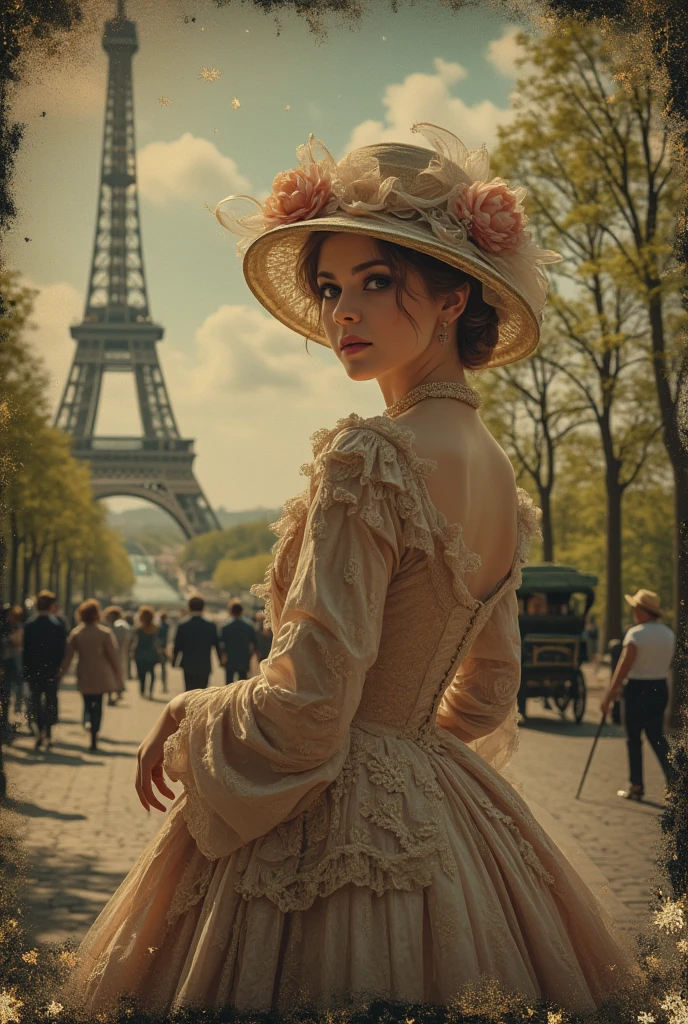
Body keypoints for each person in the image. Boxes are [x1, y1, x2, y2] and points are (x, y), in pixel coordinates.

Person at [61, 125, 635, 1016]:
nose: (343, 315)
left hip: (325, 821)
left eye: (376, 283)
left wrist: (190, 708)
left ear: (453, 300)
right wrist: (400, 745)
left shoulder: (370, 457)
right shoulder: (497, 472)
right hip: (443, 813)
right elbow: (488, 693)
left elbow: (312, 706)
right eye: (330, 289)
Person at [601, 588, 676, 801]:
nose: (633, 612)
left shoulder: (636, 634)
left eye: (635, 608)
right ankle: (675, 783)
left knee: (634, 739)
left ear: (642, 611)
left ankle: (636, 786)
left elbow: (623, 667)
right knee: (657, 737)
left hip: (636, 689)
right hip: (659, 687)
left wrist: (609, 695)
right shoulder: (668, 634)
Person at [59, 599, 121, 752]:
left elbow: (68, 657)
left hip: (84, 674)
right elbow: (113, 656)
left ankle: (89, 727)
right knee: (98, 705)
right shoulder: (105, 633)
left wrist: (61, 673)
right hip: (100, 674)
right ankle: (94, 735)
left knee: (87, 704)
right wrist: (118, 674)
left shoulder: (76, 633)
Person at [22, 591, 66, 752]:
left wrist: (26, 670)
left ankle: (39, 730)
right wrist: (59, 668)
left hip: (33, 670)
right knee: (51, 701)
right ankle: (48, 732)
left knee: (35, 701)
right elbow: (62, 650)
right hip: (51, 671)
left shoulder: (29, 625)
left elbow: (25, 651)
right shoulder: (58, 625)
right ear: (51, 606)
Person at [172, 596, 221, 691]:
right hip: (204, 664)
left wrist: (174, 660)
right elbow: (216, 644)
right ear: (203, 607)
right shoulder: (210, 625)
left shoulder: (182, 625)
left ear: (189, 607)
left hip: (188, 664)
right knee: (202, 693)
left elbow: (178, 645)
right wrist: (220, 659)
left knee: (189, 692)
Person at [0, 605, 24, 742]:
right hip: (6, 667)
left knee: (6, 698)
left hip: (10, 668)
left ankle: (4, 726)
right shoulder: (5, 629)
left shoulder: (14, 628)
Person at [219, 600, 257, 684]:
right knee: (242, 685)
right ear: (241, 611)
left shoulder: (225, 626)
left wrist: (222, 657)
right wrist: (251, 656)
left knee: (228, 684)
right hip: (244, 659)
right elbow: (254, 643)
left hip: (230, 659)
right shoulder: (249, 626)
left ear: (230, 611)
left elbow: (221, 644)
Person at [132, 606, 162, 700]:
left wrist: (132, 652)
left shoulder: (138, 629)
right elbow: (157, 642)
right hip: (151, 653)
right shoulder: (155, 628)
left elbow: (136, 642)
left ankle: (142, 690)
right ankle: (150, 692)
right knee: (152, 673)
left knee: (141, 674)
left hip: (140, 653)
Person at [103, 605, 130, 705]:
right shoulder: (120, 626)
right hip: (118, 653)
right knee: (116, 673)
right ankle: (116, 692)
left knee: (113, 673)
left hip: (116, 653)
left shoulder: (115, 627)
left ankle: (114, 693)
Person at [157, 612, 170, 693]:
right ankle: (164, 685)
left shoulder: (158, 626)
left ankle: (162, 685)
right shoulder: (167, 626)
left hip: (159, 648)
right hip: (164, 648)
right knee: (163, 668)